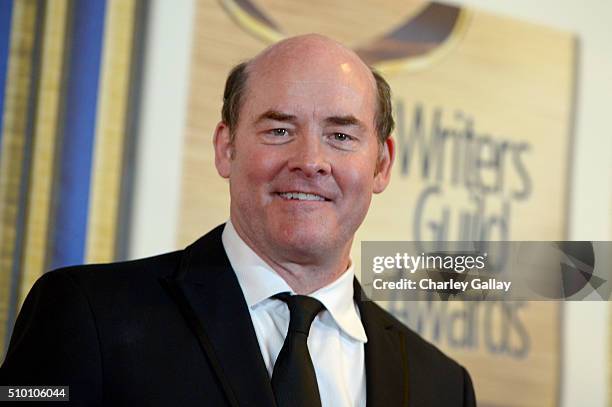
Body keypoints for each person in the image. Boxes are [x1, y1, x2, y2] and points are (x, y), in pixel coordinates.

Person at [0, 34, 476, 406]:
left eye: (341, 135)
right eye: (279, 130)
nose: (310, 160)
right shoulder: (87, 314)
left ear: (382, 165)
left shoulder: (443, 386)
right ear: (226, 148)